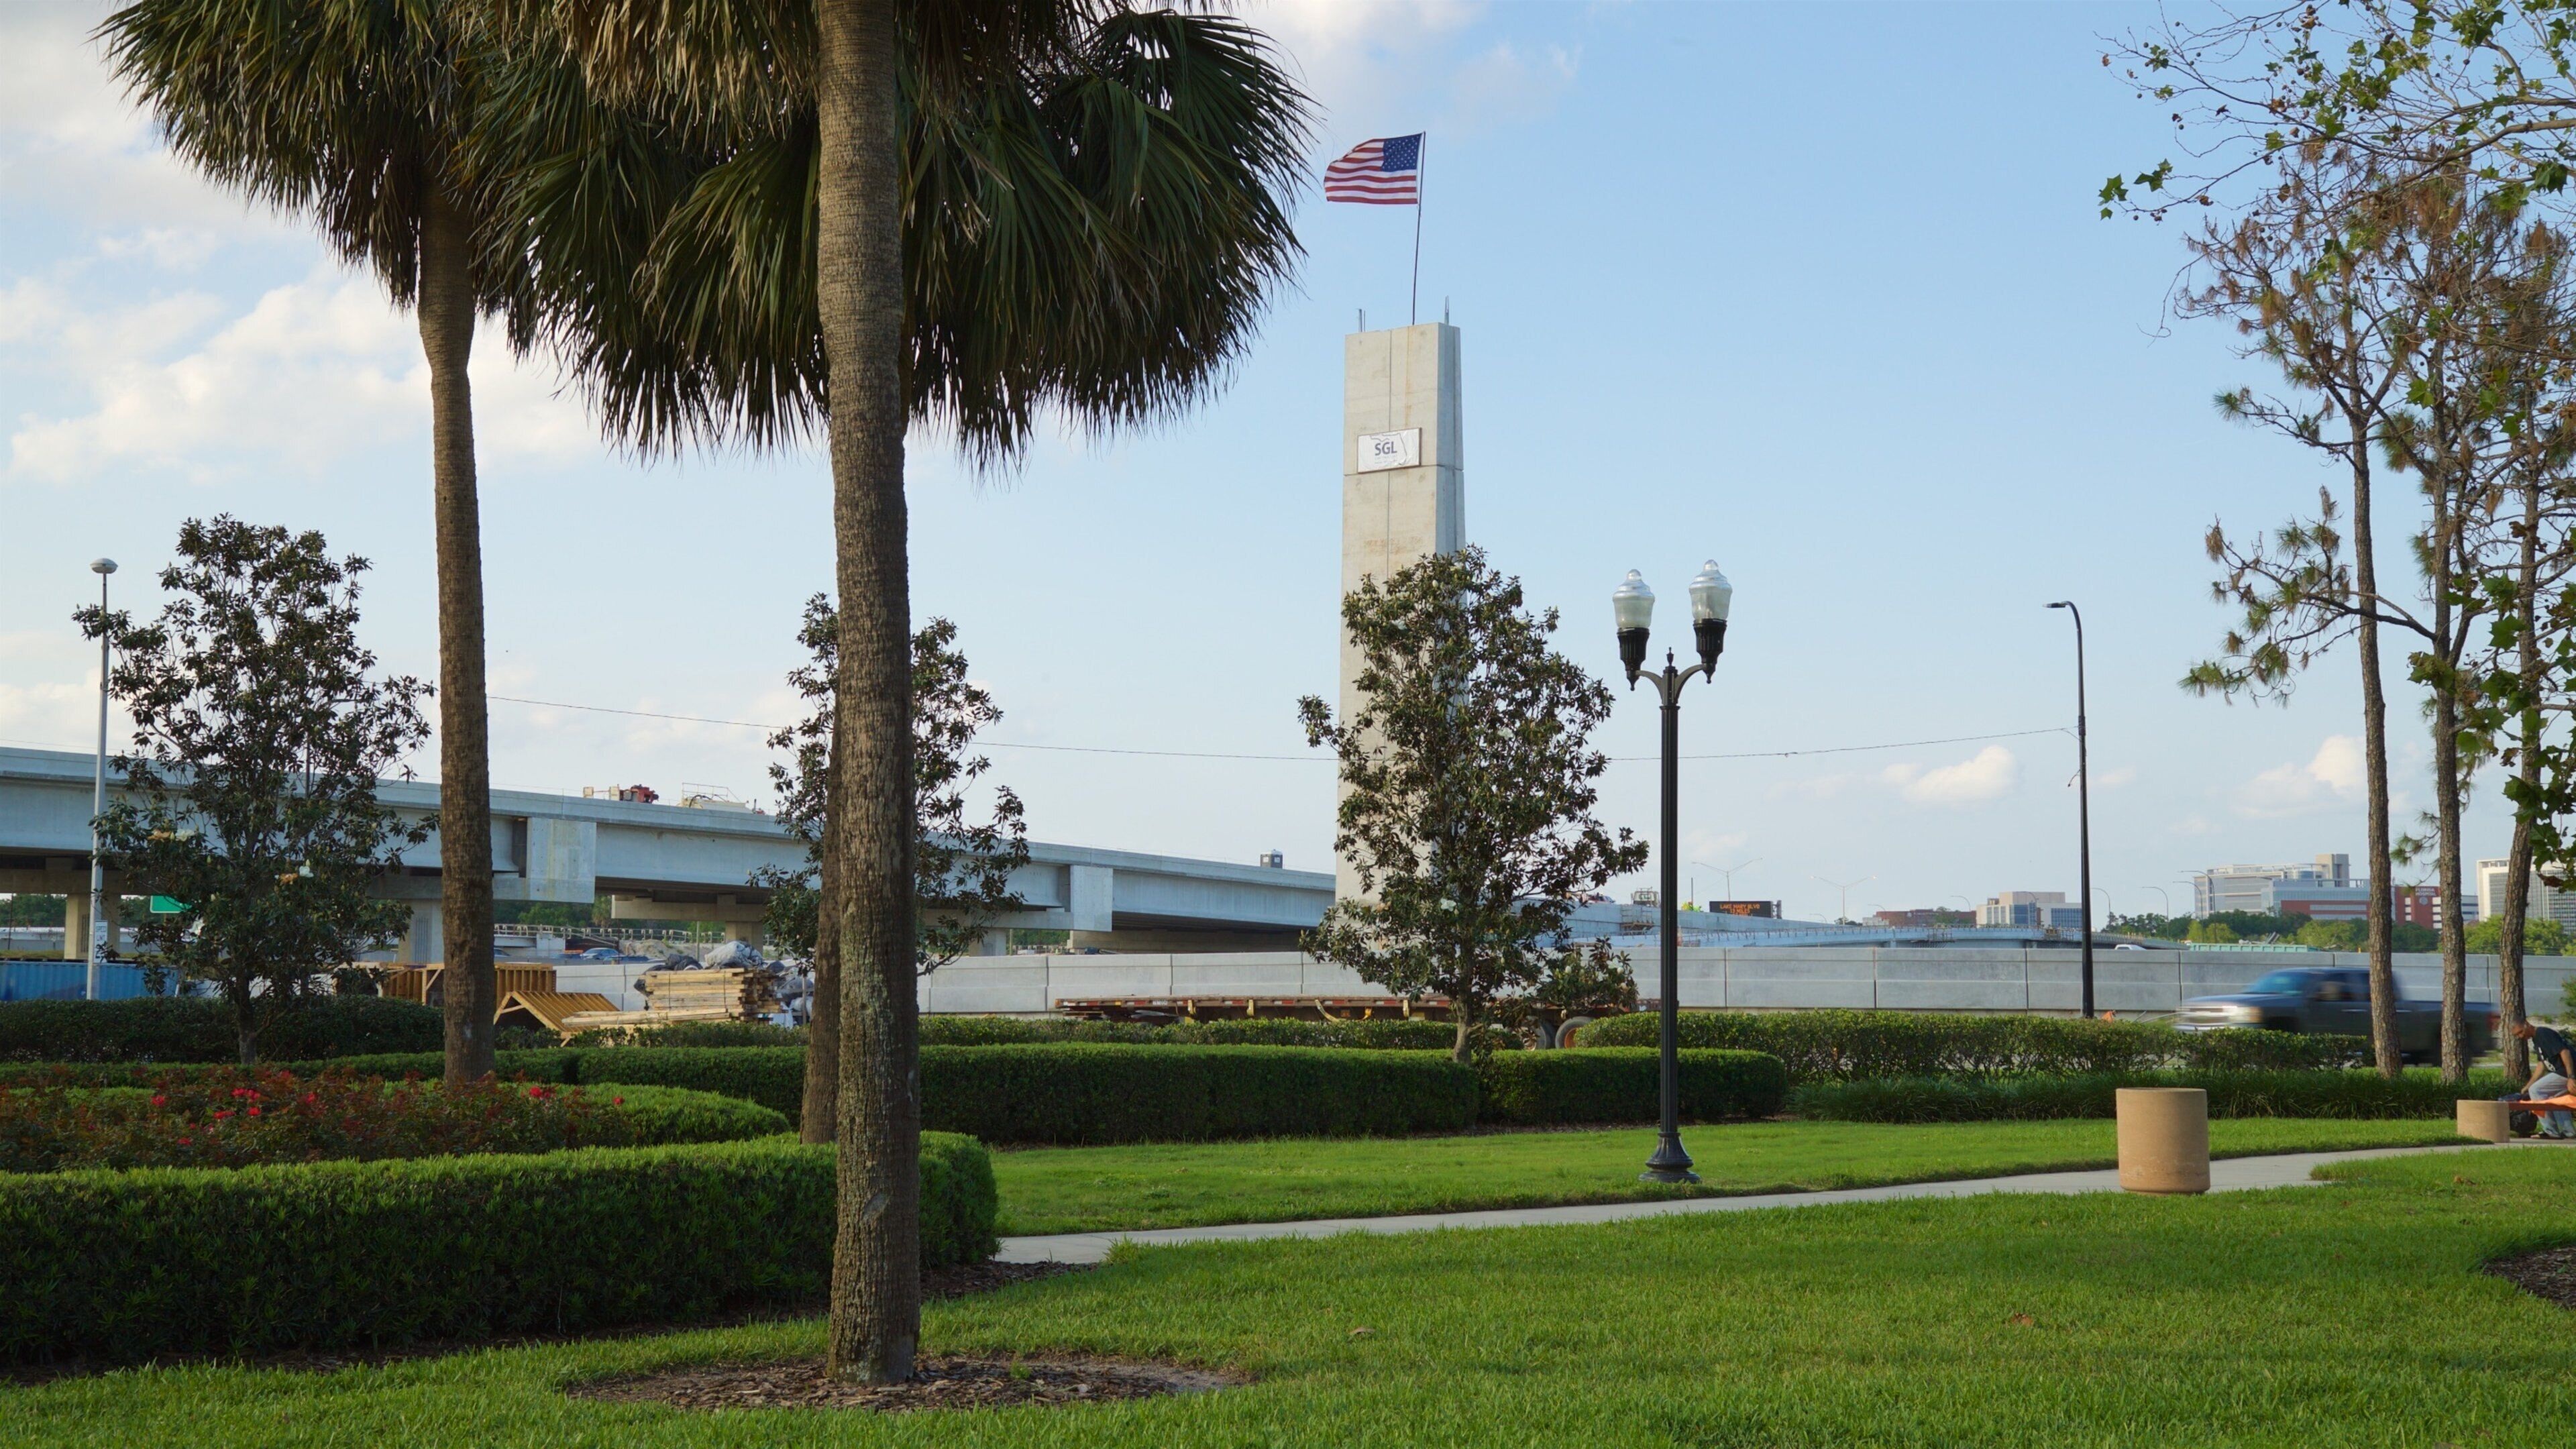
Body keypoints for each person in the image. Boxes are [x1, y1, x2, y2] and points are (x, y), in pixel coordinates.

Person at [2509, 1019, 2576, 1139]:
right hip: (2563, 1073)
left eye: (2521, 1032)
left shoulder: (2544, 1034)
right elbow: (2542, 1065)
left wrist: (2571, 1077)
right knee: (2555, 1100)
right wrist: (2528, 1086)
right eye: (2517, 1035)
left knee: (2537, 1090)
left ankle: (2550, 1131)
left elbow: (2565, 1052)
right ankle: (2569, 1132)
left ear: (2527, 1024)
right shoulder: (2536, 1039)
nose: (2520, 1036)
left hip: (2567, 1072)